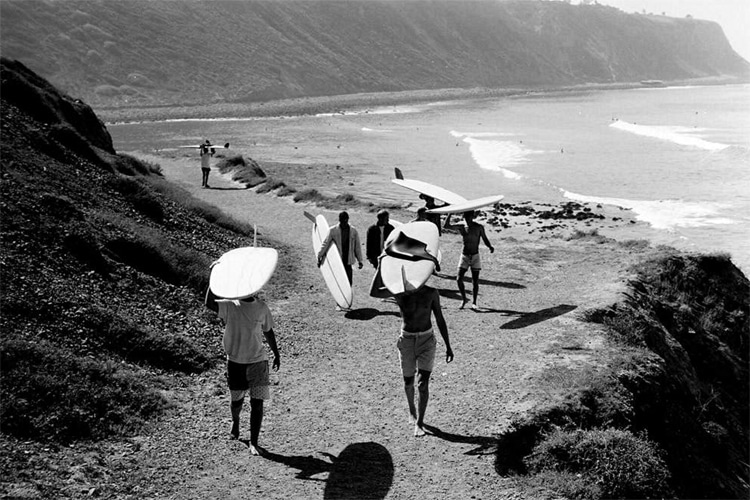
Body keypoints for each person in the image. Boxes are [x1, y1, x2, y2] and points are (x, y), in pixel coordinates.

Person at [205, 288, 281, 456]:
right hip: (235, 361)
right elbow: (209, 303)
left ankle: (254, 442)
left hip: (258, 361)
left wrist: (276, 353)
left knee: (257, 403)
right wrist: (214, 278)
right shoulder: (230, 305)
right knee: (236, 401)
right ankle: (236, 420)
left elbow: (268, 331)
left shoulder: (262, 307)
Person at [394, 285, 453, 437]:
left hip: (426, 340)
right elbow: (374, 292)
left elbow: (439, 317)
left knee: (423, 383)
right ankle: (412, 410)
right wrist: (382, 264)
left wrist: (448, 345)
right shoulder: (400, 292)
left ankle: (419, 422)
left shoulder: (432, 292)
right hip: (406, 340)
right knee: (408, 382)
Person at [444, 211, 494, 309]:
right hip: (465, 256)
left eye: (469, 216)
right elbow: (446, 226)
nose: (468, 218)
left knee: (475, 281)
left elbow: (484, 238)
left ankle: (474, 302)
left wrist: (490, 246)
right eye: (466, 216)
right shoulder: (462, 227)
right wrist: (450, 213)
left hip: (475, 256)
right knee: (459, 279)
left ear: (473, 216)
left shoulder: (479, 227)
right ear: (464, 217)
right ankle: (463, 299)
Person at [317, 211, 363, 293]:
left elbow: (357, 247)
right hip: (338, 260)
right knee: (339, 281)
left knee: (349, 281)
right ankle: (339, 300)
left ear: (348, 219)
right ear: (339, 220)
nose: (344, 222)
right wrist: (320, 255)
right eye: (342, 220)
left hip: (348, 260)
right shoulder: (333, 230)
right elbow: (326, 244)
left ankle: (347, 298)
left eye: (345, 220)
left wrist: (360, 260)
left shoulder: (353, 231)